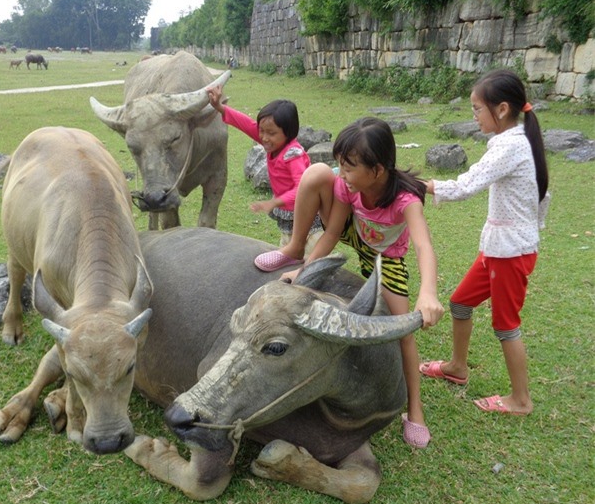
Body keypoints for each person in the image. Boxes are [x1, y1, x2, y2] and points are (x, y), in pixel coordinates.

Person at [264, 117, 445, 448]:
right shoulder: (350, 187)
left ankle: (415, 410)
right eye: (340, 165)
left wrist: (428, 292)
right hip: (354, 234)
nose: (342, 174)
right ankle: (292, 248)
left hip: (385, 257)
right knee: (315, 174)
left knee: (403, 330)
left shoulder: (406, 201)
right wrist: (304, 270)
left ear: (377, 170)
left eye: (348, 167)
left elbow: (423, 246)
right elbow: (333, 232)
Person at [419, 69, 550, 417]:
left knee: (506, 324)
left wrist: (424, 186)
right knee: (461, 302)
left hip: (510, 252)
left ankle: (520, 400)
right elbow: (544, 196)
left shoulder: (512, 146)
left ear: (502, 109)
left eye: (477, 109)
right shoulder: (517, 141)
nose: (474, 116)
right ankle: (457, 367)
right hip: (498, 247)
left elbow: (467, 185)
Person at [207, 85, 322, 259]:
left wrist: (275, 202)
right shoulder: (273, 141)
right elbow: (245, 123)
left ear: (288, 133)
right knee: (289, 255)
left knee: (310, 260)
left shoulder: (293, 155)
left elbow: (303, 189)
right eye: (261, 131)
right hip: (288, 220)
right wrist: (219, 107)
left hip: (307, 219)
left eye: (271, 133)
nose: (264, 137)